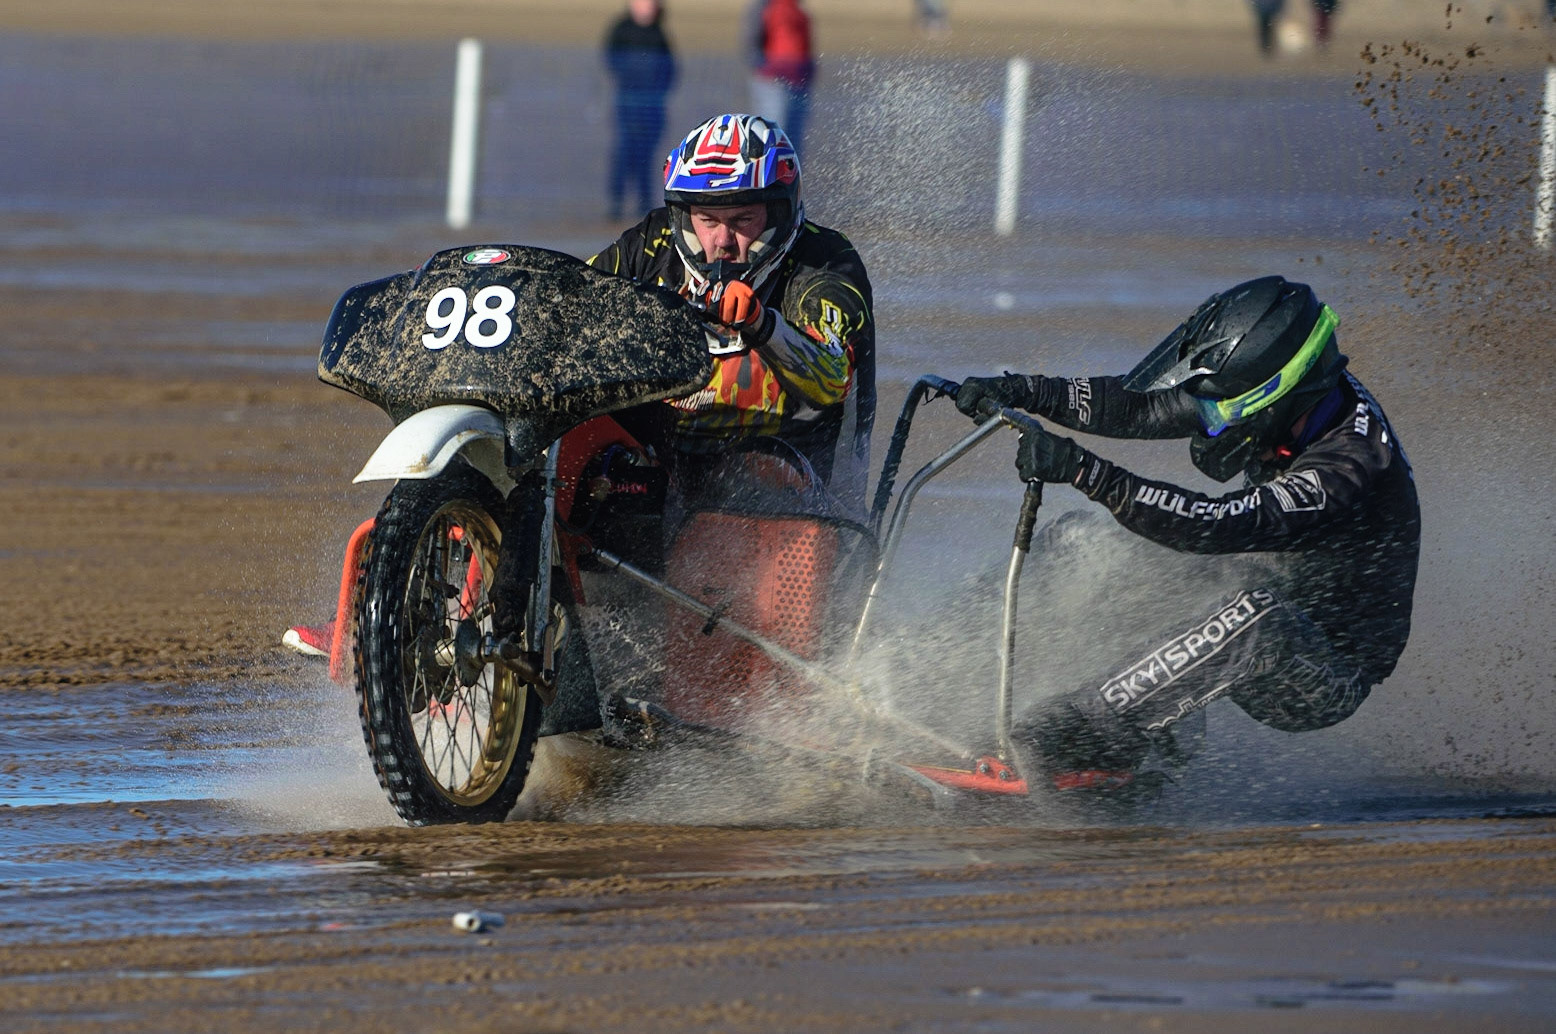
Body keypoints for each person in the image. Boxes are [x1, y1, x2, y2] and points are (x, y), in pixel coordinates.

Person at [954, 276, 1420, 789]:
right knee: (1082, 543)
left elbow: (1212, 525)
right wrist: (1025, 390)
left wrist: (1086, 471)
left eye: (1220, 412)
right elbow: (1142, 406)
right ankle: (934, 660)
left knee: (1256, 618)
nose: (1209, 423)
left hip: (1323, 670)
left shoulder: (1349, 467)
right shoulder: (1301, 396)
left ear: (1278, 399)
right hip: (1258, 574)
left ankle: (1081, 737)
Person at [587, 112, 874, 499]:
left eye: (742, 219)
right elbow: (574, 303)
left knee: (754, 479)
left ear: (778, 213)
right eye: (707, 219)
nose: (722, 240)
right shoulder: (651, 243)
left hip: (794, 495)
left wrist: (761, 324)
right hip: (656, 470)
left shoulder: (824, 261)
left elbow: (832, 379)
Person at [603, 0, 678, 220]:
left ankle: (644, 203)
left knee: (646, 155)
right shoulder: (621, 28)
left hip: (653, 105)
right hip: (628, 102)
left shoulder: (659, 32)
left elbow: (671, 68)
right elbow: (611, 60)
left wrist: (658, 90)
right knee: (625, 152)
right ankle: (616, 202)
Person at [743, 0, 815, 156]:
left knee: (794, 139)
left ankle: (791, 178)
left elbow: (806, 43)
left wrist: (809, 70)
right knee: (772, 135)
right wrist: (765, 68)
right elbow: (750, 40)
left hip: (799, 81)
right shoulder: (764, 5)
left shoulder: (799, 8)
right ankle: (765, 177)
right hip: (774, 81)